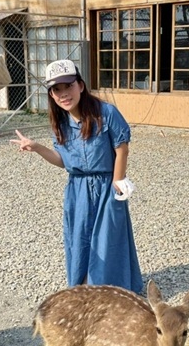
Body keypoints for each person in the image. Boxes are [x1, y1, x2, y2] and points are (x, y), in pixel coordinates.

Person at [10, 60, 144, 294]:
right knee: (79, 236)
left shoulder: (106, 112)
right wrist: (37, 147)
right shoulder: (59, 123)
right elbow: (63, 161)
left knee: (108, 237)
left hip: (106, 184)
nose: (64, 94)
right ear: (51, 95)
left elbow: (121, 147)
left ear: (80, 85)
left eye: (68, 86)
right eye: (56, 90)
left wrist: (118, 181)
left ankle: (109, 288)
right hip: (77, 188)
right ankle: (83, 283)